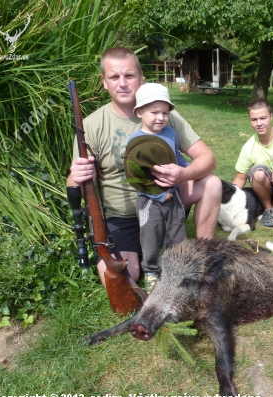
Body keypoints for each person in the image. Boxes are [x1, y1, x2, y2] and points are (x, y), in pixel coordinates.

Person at [67, 47, 221, 286]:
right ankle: (143, 257)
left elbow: (208, 159)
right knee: (122, 280)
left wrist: (183, 174)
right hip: (122, 216)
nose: (122, 83)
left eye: (129, 76)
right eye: (114, 77)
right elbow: (74, 183)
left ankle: (201, 259)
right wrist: (77, 176)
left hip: (167, 200)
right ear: (104, 82)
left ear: (141, 78)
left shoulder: (163, 114)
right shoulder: (91, 125)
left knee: (212, 183)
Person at [124, 83, 189, 289]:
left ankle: (178, 269)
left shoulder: (170, 133)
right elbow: (136, 177)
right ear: (140, 112)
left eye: (165, 113)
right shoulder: (136, 142)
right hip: (148, 200)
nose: (160, 117)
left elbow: (176, 158)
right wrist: (159, 196)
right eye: (154, 112)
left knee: (178, 233)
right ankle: (151, 271)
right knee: (150, 234)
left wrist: (188, 171)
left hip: (173, 195)